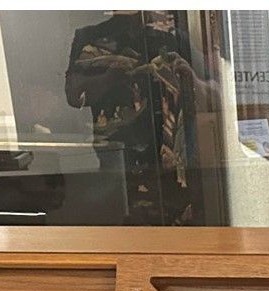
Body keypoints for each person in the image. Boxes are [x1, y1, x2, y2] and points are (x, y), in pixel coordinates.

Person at [65, 11, 201, 226]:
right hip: (117, 153)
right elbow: (73, 96)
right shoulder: (89, 37)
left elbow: (214, 96)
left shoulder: (170, 39)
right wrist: (110, 77)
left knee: (174, 224)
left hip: (167, 156)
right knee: (121, 222)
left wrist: (190, 79)